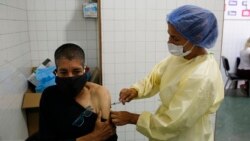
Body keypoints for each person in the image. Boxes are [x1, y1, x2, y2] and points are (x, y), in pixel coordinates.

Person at [111, 5, 224, 141]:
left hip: (187, 135)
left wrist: (132, 118)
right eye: (169, 35)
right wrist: (136, 90)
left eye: (175, 38)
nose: (169, 42)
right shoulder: (181, 57)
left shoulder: (201, 77)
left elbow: (173, 123)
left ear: (197, 38)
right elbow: (156, 77)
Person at [39, 43, 118, 141]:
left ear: (85, 70)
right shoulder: (49, 96)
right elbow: (45, 137)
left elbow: (108, 135)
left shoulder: (99, 94)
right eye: (63, 72)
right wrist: (91, 138)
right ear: (56, 72)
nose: (70, 77)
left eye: (76, 71)